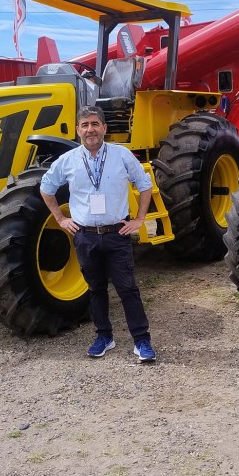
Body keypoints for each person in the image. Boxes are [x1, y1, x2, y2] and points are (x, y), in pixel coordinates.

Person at [39, 106, 156, 362]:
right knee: (96, 289)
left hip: (117, 234)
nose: (90, 129)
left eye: (94, 124)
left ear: (104, 127)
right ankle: (104, 337)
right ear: (78, 130)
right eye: (85, 125)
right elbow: (46, 187)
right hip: (86, 236)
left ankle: (142, 341)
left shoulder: (121, 155)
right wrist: (60, 218)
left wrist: (139, 219)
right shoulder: (68, 160)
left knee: (128, 289)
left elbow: (145, 185)